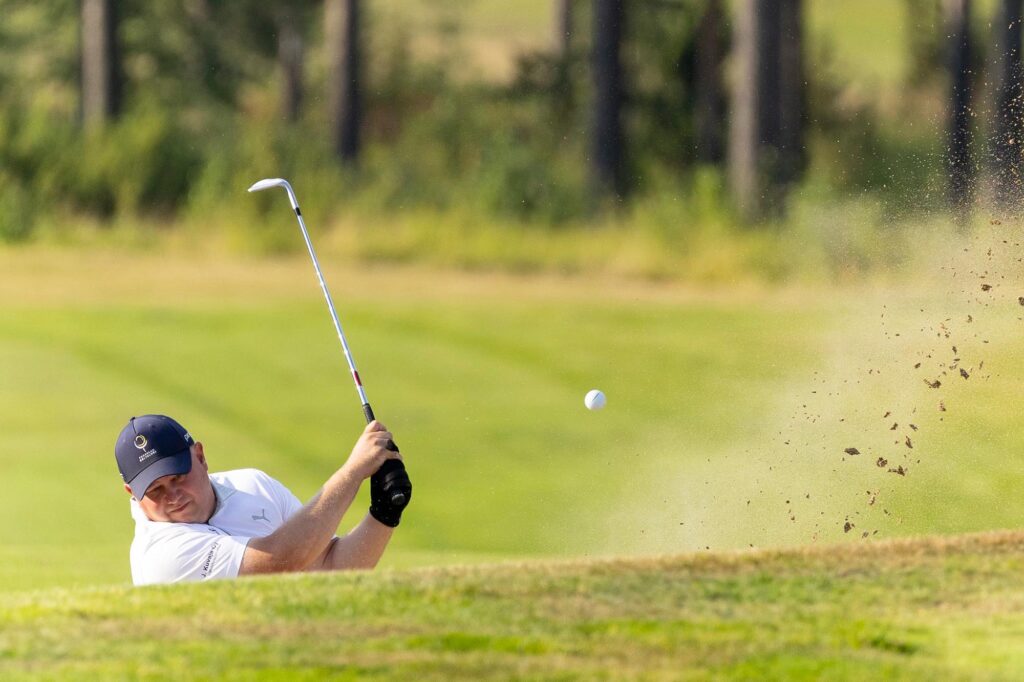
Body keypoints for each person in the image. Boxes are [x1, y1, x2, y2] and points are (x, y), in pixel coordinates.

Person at [114, 414, 411, 585]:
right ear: (132, 493)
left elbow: (332, 567)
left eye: (178, 477)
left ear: (200, 456)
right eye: (156, 490)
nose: (173, 496)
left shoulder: (253, 484)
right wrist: (353, 471)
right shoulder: (161, 555)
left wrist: (384, 513)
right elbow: (280, 561)